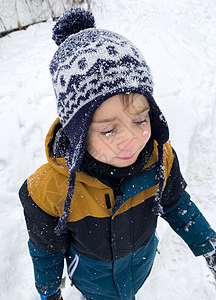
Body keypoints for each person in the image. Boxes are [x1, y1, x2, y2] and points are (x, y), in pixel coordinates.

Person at [19, 8, 216, 300]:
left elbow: (178, 207)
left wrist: (210, 247)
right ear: (78, 132)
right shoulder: (48, 191)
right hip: (93, 282)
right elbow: (46, 250)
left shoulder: (161, 159)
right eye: (109, 130)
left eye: (140, 120)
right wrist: (49, 292)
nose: (132, 141)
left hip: (139, 267)